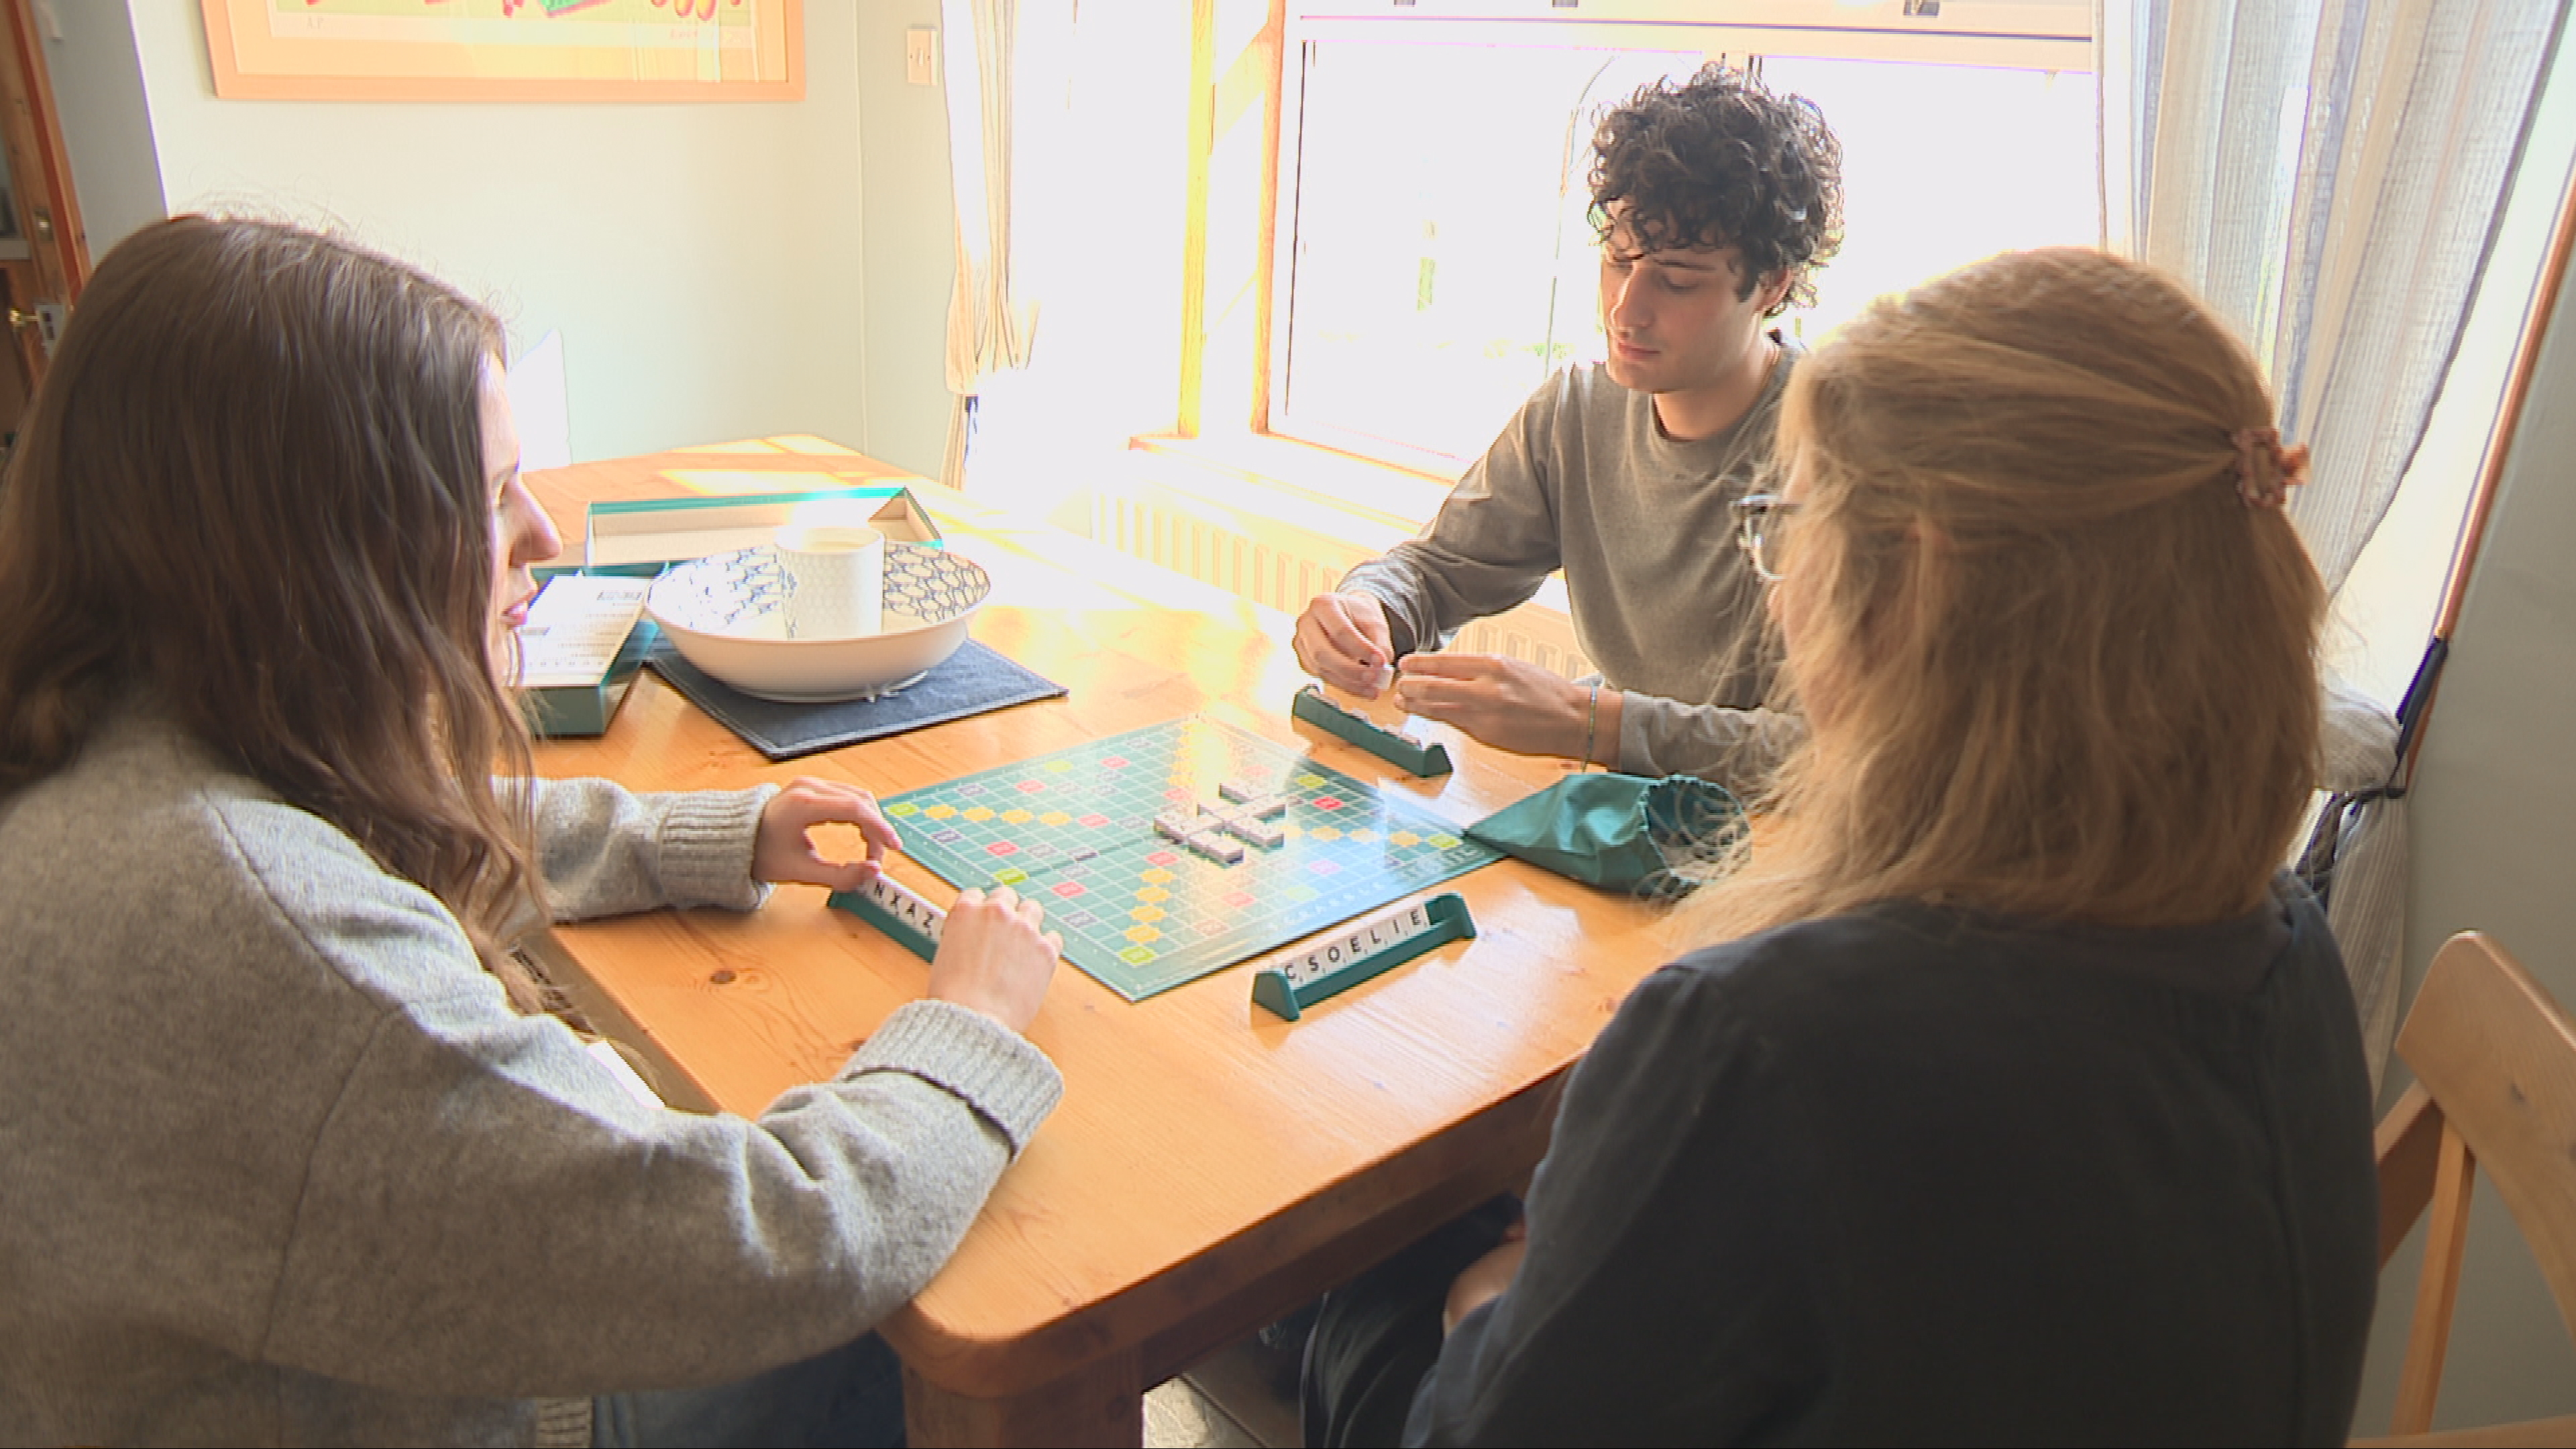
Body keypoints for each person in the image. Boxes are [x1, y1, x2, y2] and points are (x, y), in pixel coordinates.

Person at [0, 216, 1065, 1447]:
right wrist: (968, 1026)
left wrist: (712, 834)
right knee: (925, 1327)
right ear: (320, 547)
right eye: (491, 494)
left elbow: (376, 829)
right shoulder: (265, 940)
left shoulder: (104, 748)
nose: (543, 539)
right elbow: (784, 1241)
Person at [1299, 248, 2381, 1445]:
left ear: (1910, 590)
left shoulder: (1755, 1043)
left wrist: (1487, 1299)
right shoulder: (2294, 942)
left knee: (1346, 1277)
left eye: (1789, 523)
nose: (1775, 589)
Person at [1293, 62, 1842, 789]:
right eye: (1618, 261)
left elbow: (1823, 751)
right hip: (1624, 821)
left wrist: (1592, 723)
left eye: (1677, 280)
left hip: (1776, 854)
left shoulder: (1834, 448)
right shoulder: (1579, 411)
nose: (1626, 309)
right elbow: (1438, 571)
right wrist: (1370, 610)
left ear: (1771, 286)